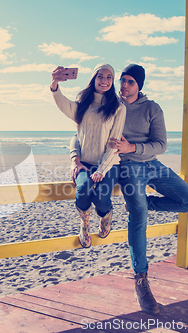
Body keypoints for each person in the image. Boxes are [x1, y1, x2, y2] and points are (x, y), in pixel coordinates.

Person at [70, 64, 188, 315]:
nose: (124, 85)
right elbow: (80, 132)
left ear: (139, 85)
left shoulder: (152, 108)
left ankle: (145, 202)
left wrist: (133, 148)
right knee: (139, 217)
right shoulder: (109, 103)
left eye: (130, 81)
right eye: (123, 80)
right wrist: (76, 156)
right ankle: (141, 280)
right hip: (127, 168)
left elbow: (160, 144)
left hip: (151, 163)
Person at [51, 64, 126, 248]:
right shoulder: (82, 105)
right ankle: (84, 225)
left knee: (101, 197)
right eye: (101, 76)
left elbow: (115, 142)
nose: (105, 81)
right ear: (94, 79)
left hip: (109, 165)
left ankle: (106, 216)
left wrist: (101, 169)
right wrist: (54, 84)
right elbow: (63, 104)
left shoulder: (118, 108)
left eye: (109, 77)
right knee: (83, 189)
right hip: (85, 163)